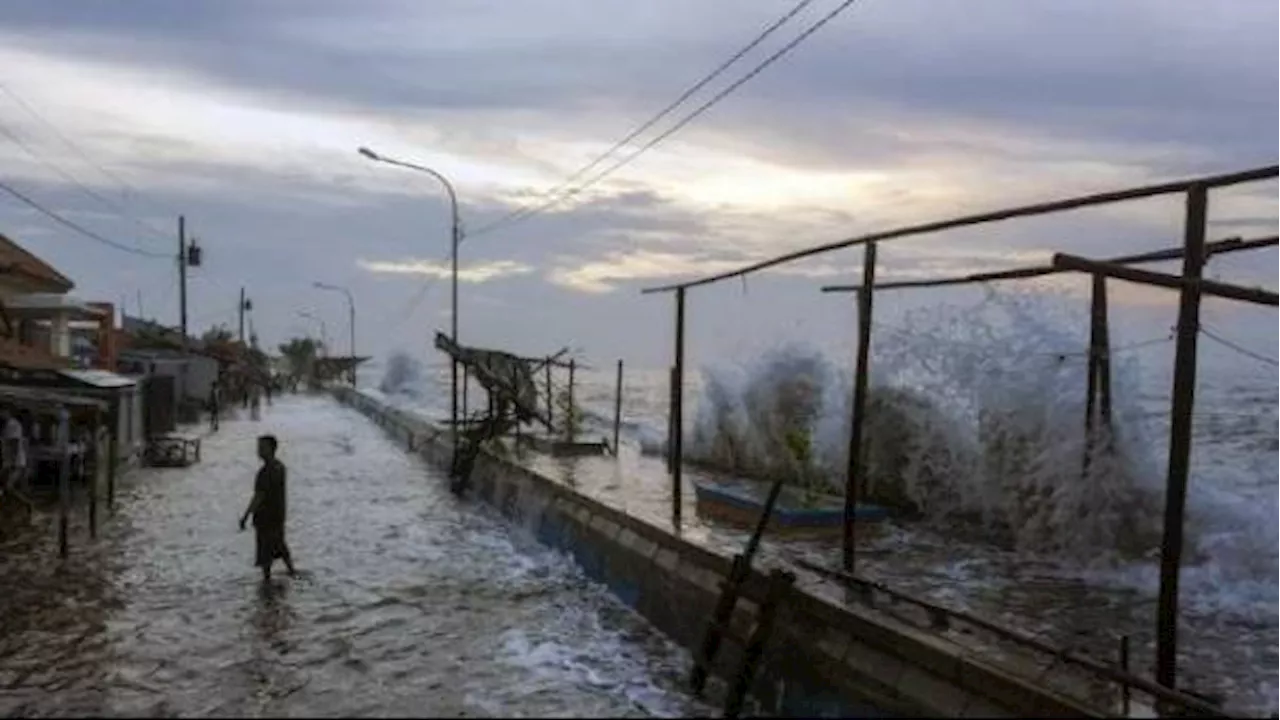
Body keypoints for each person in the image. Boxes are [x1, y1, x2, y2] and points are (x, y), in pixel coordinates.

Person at [239, 435, 296, 582]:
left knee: (265, 553)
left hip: (265, 518)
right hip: (278, 516)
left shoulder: (265, 472)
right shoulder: (280, 467)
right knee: (280, 546)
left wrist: (245, 516)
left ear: (271, 449)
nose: (258, 451)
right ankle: (291, 572)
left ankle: (267, 583)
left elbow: (259, 496)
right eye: (258, 447)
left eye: (262, 447)